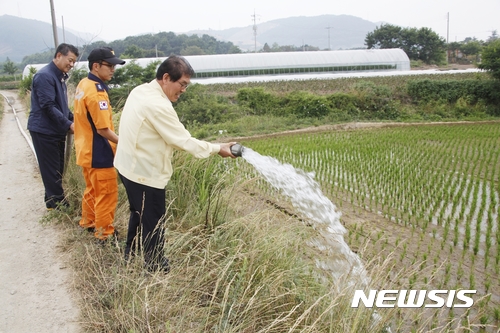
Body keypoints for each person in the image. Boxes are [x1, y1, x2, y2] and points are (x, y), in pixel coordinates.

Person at [114, 55, 236, 272]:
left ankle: (129, 258)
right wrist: (219, 148)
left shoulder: (141, 90)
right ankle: (156, 270)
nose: (183, 90)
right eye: (182, 84)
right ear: (166, 78)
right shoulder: (158, 105)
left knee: (138, 214)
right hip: (145, 175)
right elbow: (183, 141)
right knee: (153, 224)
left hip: (127, 168)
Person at [73, 47, 125, 241]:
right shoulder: (97, 93)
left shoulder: (83, 84)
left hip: (85, 150)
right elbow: (103, 129)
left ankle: (88, 223)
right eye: (109, 65)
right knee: (106, 193)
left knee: (92, 189)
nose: (113, 69)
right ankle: (104, 234)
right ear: (96, 66)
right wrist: (123, 142)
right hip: (99, 152)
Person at [28, 43, 79, 210]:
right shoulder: (45, 76)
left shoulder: (59, 76)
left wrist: (75, 118)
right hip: (44, 130)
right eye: (69, 60)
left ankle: (51, 201)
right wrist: (69, 124)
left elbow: (62, 107)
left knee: (57, 168)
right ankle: (59, 205)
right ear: (58, 56)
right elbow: (48, 106)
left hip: (55, 130)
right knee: (51, 168)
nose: (71, 65)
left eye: (74, 62)